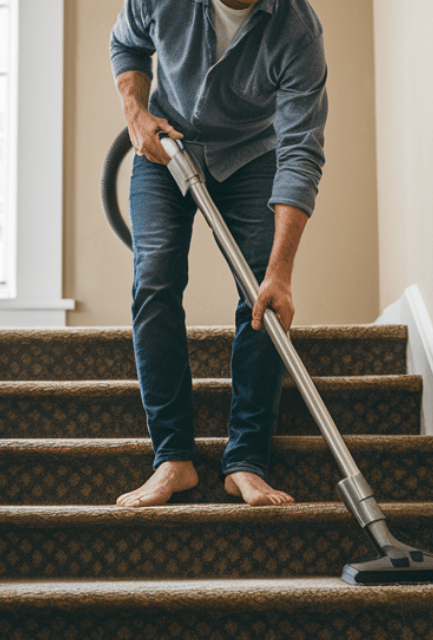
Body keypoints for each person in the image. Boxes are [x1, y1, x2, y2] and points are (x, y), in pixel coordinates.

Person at [110, 0, 327, 507]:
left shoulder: (297, 30)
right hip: (167, 146)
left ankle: (246, 462)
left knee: (260, 294)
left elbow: (301, 151)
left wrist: (281, 273)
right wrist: (136, 113)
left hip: (253, 154)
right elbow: (128, 42)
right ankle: (173, 459)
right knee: (155, 278)